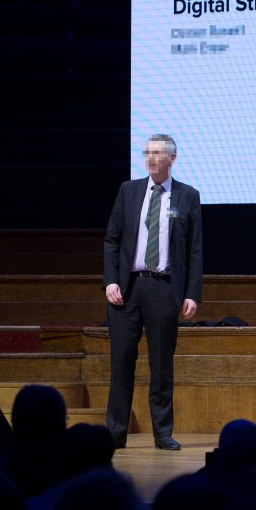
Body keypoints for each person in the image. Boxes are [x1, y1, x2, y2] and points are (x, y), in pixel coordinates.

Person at [103, 133, 202, 451]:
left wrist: (192, 293)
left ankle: (162, 432)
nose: (151, 158)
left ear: (172, 158)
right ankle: (116, 432)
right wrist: (110, 281)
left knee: (161, 363)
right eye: (148, 152)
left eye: (158, 153)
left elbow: (194, 250)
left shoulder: (187, 196)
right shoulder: (128, 191)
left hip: (163, 288)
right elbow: (112, 240)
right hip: (127, 289)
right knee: (121, 362)